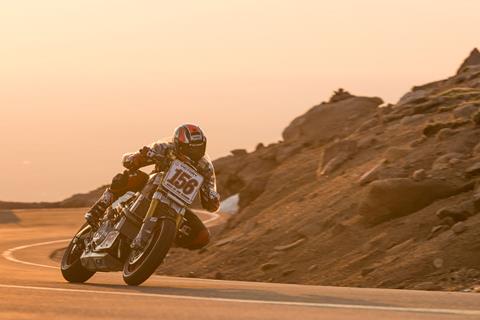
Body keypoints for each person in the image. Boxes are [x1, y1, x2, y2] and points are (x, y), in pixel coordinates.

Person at [84, 124, 220, 250]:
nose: (194, 153)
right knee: (133, 176)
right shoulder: (166, 148)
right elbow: (130, 161)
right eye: (190, 149)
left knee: (202, 236)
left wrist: (213, 198)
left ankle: (158, 245)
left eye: (198, 148)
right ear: (179, 145)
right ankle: (99, 208)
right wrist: (138, 157)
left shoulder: (205, 167)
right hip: (150, 188)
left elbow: (210, 199)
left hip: (176, 205)